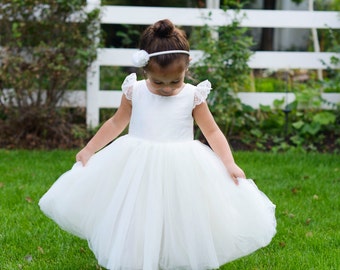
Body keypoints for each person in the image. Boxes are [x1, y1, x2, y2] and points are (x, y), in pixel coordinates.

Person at [39, 19, 276, 270]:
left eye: (175, 81)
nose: (166, 89)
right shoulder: (135, 91)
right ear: (145, 71)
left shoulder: (193, 96)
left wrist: (229, 163)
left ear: (187, 66)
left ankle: (178, 256)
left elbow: (213, 131)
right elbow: (116, 123)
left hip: (182, 164)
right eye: (158, 82)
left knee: (179, 213)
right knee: (137, 212)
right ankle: (136, 256)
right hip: (138, 163)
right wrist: (90, 149)